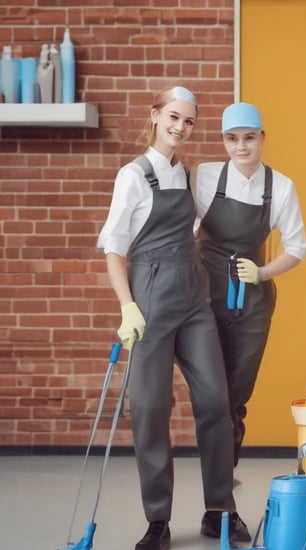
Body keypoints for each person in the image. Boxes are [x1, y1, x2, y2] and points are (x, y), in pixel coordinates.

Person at [97, 86, 250, 550]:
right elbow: (114, 248)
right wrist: (127, 307)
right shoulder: (133, 176)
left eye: (189, 122)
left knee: (216, 404)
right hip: (150, 306)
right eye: (174, 117)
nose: (181, 127)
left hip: (194, 301)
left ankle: (219, 510)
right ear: (156, 115)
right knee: (149, 408)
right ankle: (158, 521)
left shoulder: (186, 175)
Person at [194, 102, 306, 466]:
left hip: (252, 307)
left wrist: (261, 273)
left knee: (235, 398)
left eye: (248, 138)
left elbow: (298, 248)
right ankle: (218, 487)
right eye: (231, 139)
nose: (241, 147)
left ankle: (223, 487)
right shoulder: (203, 177)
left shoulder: (281, 187)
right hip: (204, 303)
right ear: (223, 140)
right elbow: (179, 228)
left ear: (262, 138)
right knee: (213, 396)